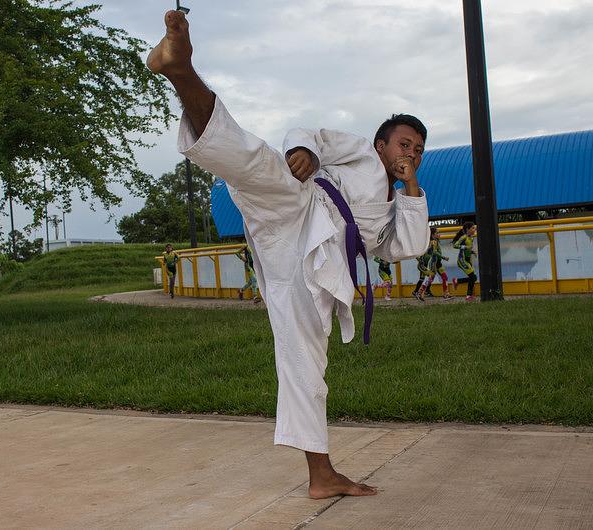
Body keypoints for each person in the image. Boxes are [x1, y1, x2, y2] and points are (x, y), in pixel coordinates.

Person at [147, 10, 429, 499]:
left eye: (419, 149)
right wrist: (308, 153)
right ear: (383, 143)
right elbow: (310, 132)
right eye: (405, 144)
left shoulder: (394, 205)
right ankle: (180, 69)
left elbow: (408, 246)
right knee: (252, 163)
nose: (411, 152)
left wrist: (410, 186)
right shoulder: (360, 152)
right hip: (302, 200)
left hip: (317, 264)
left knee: (303, 360)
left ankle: (321, 475)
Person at [415, 227, 451, 301]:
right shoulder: (433, 242)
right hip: (434, 263)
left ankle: (446, 294)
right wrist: (443, 257)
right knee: (430, 279)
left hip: (438, 263)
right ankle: (420, 292)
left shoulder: (435, 241)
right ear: (432, 235)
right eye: (437, 233)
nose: (439, 234)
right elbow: (434, 252)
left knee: (444, 277)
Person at [452, 222, 478, 301]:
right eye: (473, 228)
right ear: (468, 229)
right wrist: (465, 247)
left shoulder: (472, 238)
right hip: (462, 260)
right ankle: (468, 296)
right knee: (473, 277)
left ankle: (457, 281)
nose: (474, 229)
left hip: (467, 260)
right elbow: (455, 245)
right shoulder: (464, 237)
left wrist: (472, 252)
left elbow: (468, 249)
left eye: (474, 228)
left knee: (474, 277)